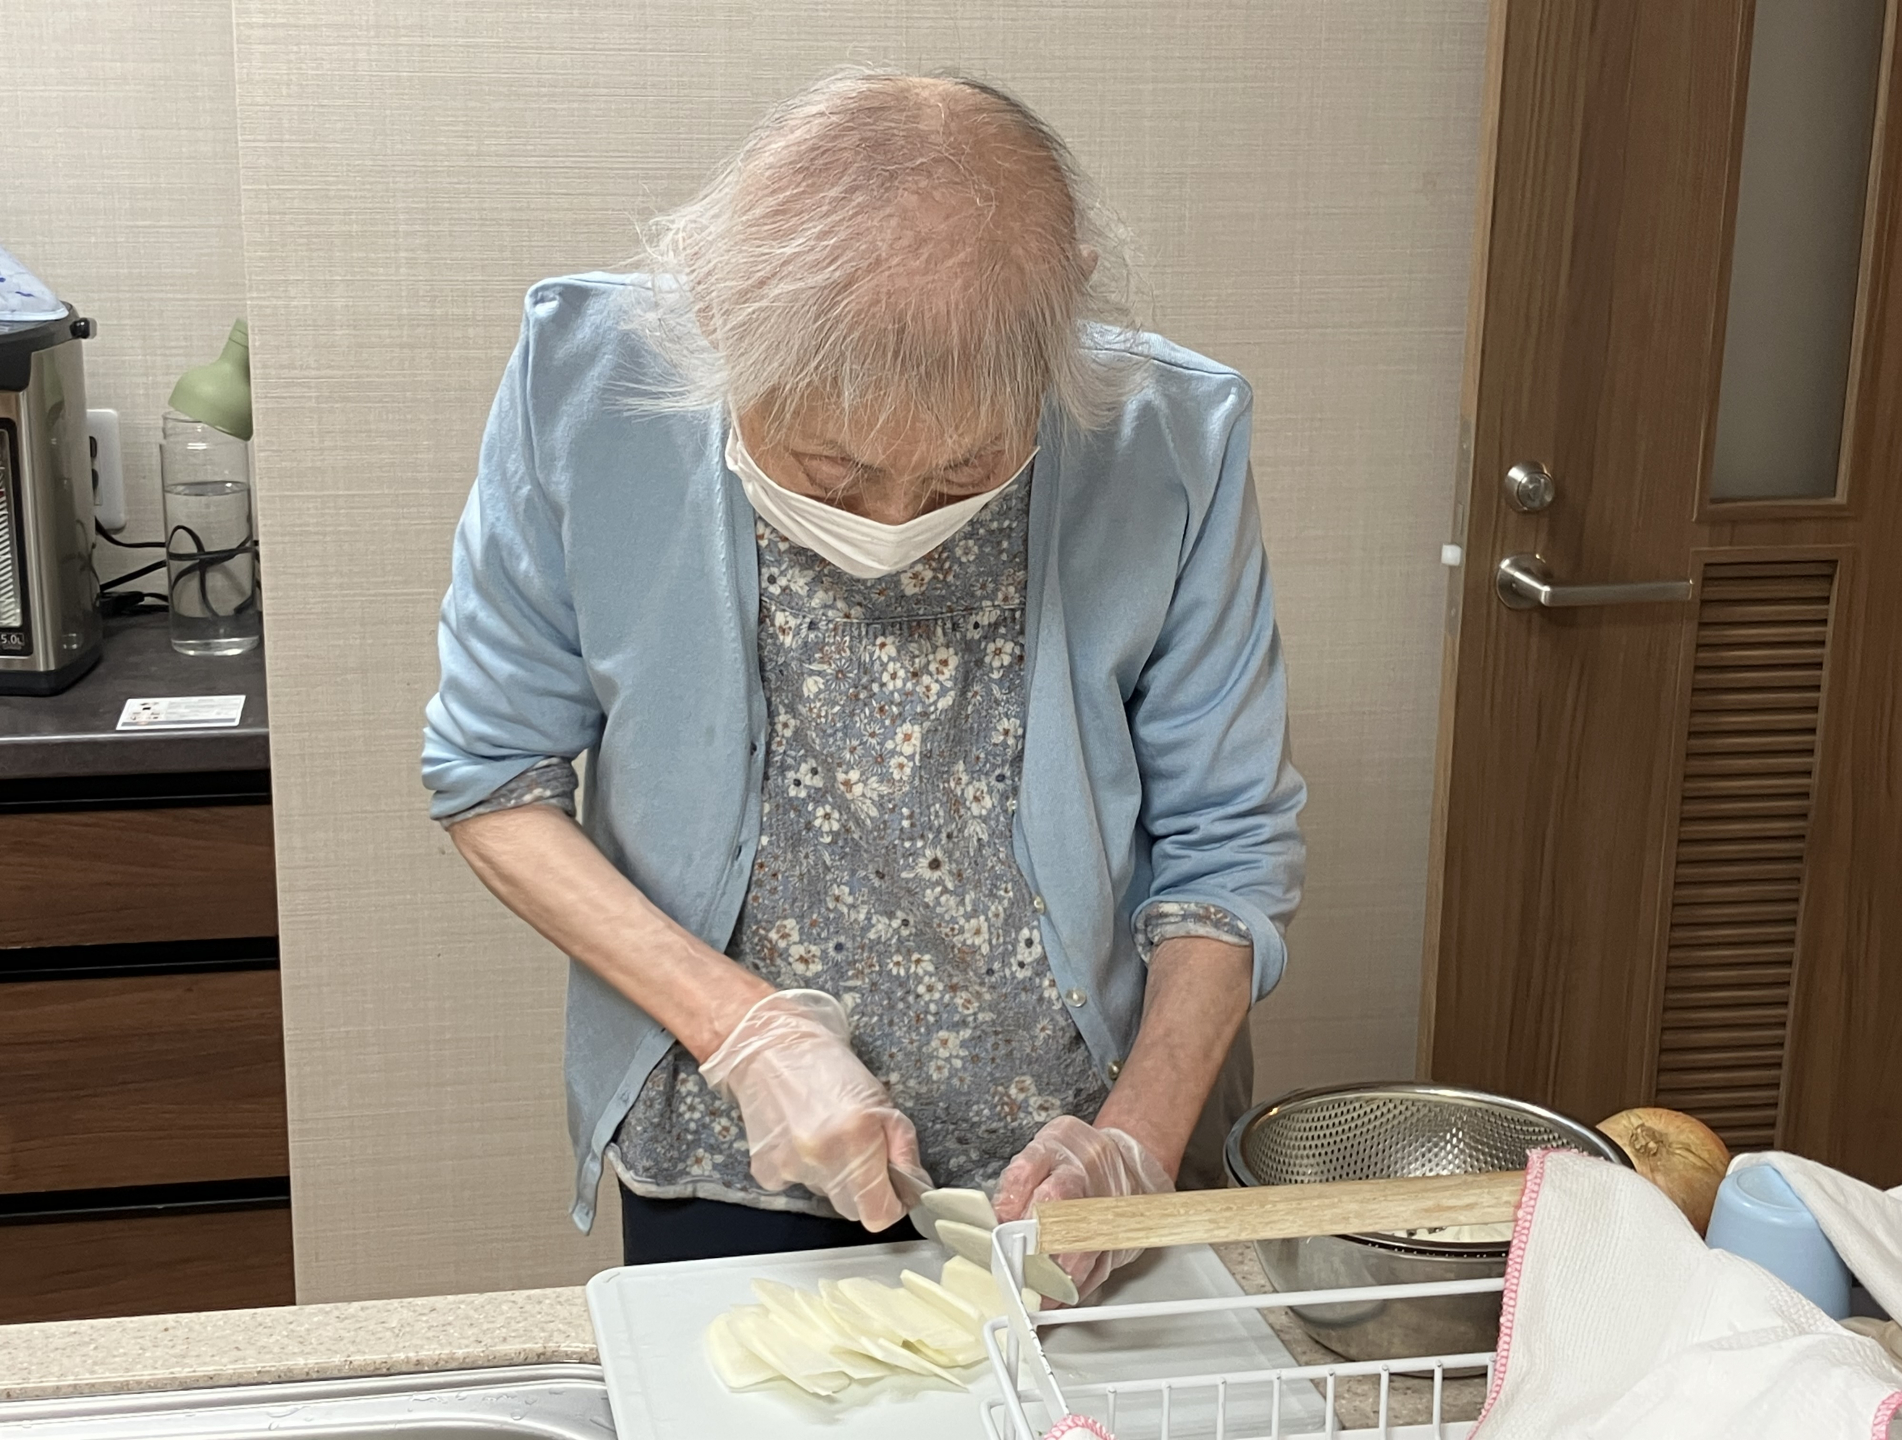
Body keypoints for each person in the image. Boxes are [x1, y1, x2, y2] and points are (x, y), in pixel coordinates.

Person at [423, 68, 1305, 1300]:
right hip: (736, 1142)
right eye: (832, 471)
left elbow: (1228, 842)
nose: (895, 518)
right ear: (719, 313)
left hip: (1079, 1148)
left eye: (965, 473)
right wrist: (744, 1032)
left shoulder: (1168, 439)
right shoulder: (591, 388)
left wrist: (1137, 1141)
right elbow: (492, 777)